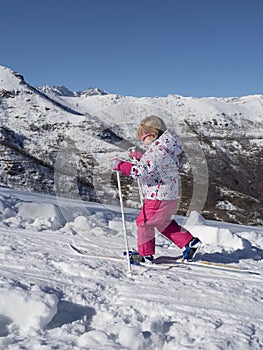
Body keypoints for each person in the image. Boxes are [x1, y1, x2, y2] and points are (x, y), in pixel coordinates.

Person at [112, 115, 201, 263]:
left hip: (157, 195)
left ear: (153, 135)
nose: (143, 142)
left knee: (144, 222)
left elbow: (141, 171)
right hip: (169, 195)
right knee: (162, 223)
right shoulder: (166, 148)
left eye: (144, 138)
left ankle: (145, 254)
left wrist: (121, 166)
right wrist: (141, 157)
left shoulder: (157, 151)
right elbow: (156, 166)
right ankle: (189, 242)